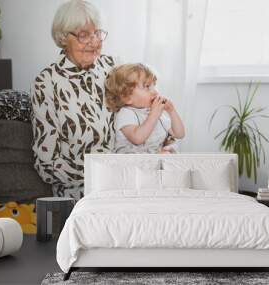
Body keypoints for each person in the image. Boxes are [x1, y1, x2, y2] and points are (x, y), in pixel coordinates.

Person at [31, 0, 117, 199]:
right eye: (83, 34)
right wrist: (103, 174)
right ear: (63, 38)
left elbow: (140, 111)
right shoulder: (47, 82)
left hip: (123, 184)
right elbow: (47, 164)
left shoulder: (112, 68)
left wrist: (162, 143)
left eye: (97, 33)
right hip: (80, 194)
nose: (93, 42)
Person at [105, 63, 185, 154]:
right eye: (147, 87)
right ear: (127, 97)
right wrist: (154, 114)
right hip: (129, 163)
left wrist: (172, 111)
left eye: (154, 86)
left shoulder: (155, 112)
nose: (155, 92)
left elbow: (179, 134)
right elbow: (137, 138)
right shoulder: (126, 113)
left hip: (149, 162)